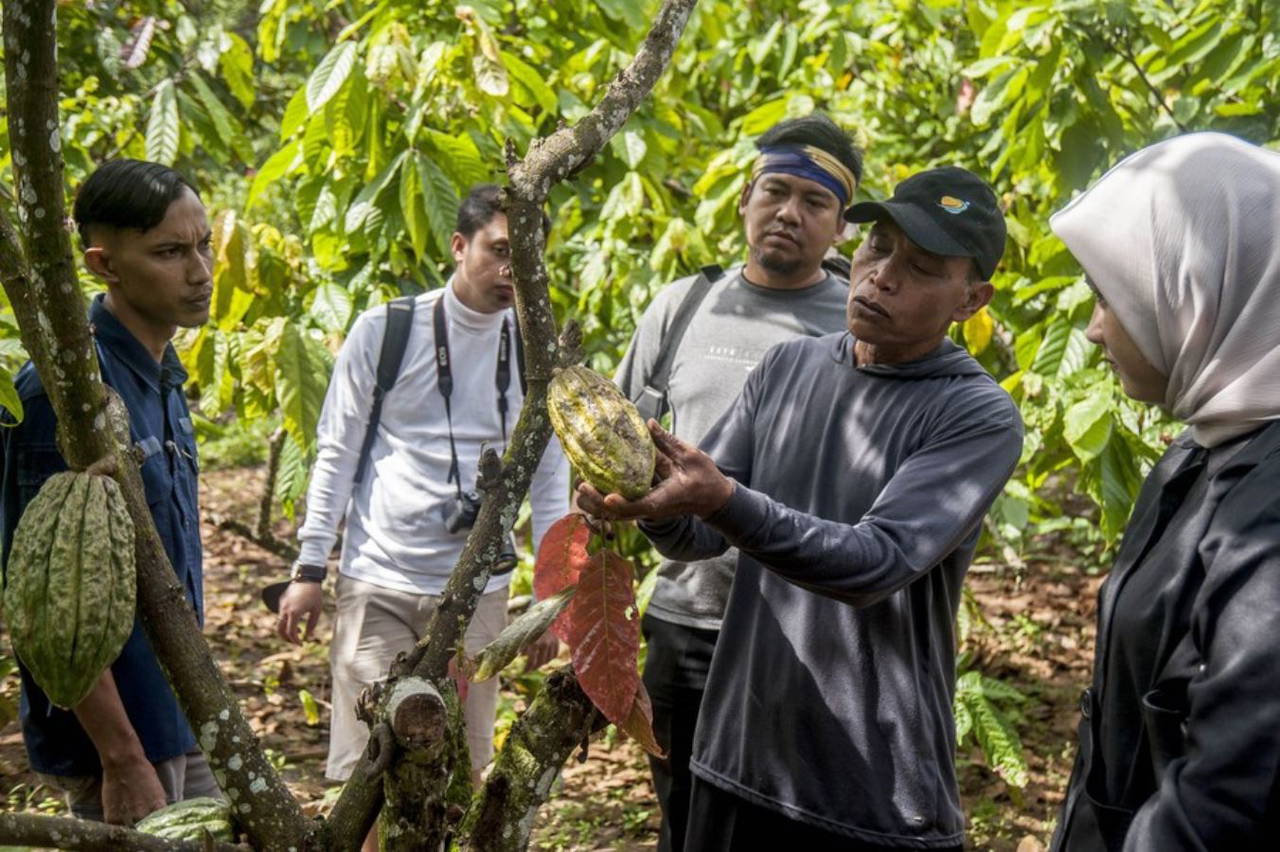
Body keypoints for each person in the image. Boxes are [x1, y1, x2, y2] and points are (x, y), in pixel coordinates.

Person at [581, 166, 1023, 850]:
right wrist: (646, 500)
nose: (881, 276)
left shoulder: (976, 415)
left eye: (922, 267)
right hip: (738, 754)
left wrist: (721, 499)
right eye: (878, 248)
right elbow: (696, 533)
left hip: (869, 784)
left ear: (973, 299)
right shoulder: (790, 367)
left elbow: (874, 562)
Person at [274, 185, 570, 816]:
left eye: (527, 255)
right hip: (378, 577)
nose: (511, 270)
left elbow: (550, 480)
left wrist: (553, 596)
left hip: (479, 591)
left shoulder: (535, 351)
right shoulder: (388, 330)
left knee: (458, 769)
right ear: (459, 246)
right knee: (370, 768)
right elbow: (337, 452)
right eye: (497, 250)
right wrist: (308, 569)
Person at [613, 112, 861, 852]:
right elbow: (621, 442)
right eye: (775, 191)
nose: (790, 213)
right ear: (745, 199)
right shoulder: (683, 307)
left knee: (790, 823)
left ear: (841, 227)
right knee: (685, 817)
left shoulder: (860, 320)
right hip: (688, 617)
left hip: (806, 627)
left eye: (815, 203)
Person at [1049, 133, 1280, 850]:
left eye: (1108, 297)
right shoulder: (1198, 453)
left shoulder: (1268, 514)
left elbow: (1230, 798)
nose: (1091, 330)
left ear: (1198, 283)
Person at [0, 159, 217, 824]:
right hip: (118, 746)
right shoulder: (65, 399)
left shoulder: (163, 375)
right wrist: (121, 759)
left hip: (183, 713)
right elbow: (44, 601)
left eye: (205, 244)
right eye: (170, 252)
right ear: (103, 264)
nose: (201, 271)